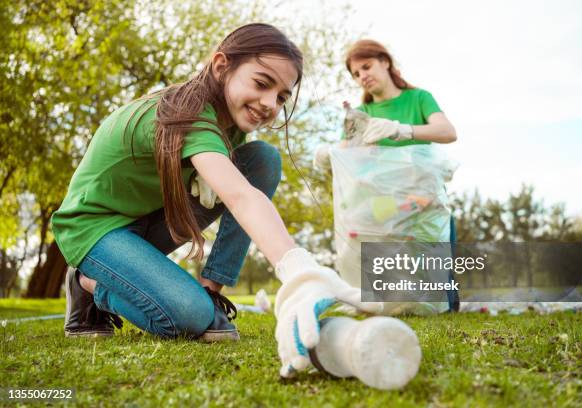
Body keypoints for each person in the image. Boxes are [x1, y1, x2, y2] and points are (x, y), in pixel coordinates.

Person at [52, 23, 381, 377]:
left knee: (263, 160)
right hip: (95, 228)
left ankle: (210, 291)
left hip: (147, 220)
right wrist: (298, 270)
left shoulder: (233, 125)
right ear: (222, 65)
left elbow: (247, 187)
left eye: (282, 96)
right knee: (187, 317)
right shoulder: (186, 113)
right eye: (261, 83)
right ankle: (88, 283)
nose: (270, 104)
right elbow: (241, 197)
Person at [315, 39, 460, 311]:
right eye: (356, 74)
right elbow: (349, 156)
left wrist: (402, 130)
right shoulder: (361, 114)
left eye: (367, 67)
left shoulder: (418, 98)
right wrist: (331, 154)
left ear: (385, 62)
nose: (362, 77)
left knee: (435, 266)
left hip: (423, 198)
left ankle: (442, 303)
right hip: (383, 204)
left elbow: (447, 132)